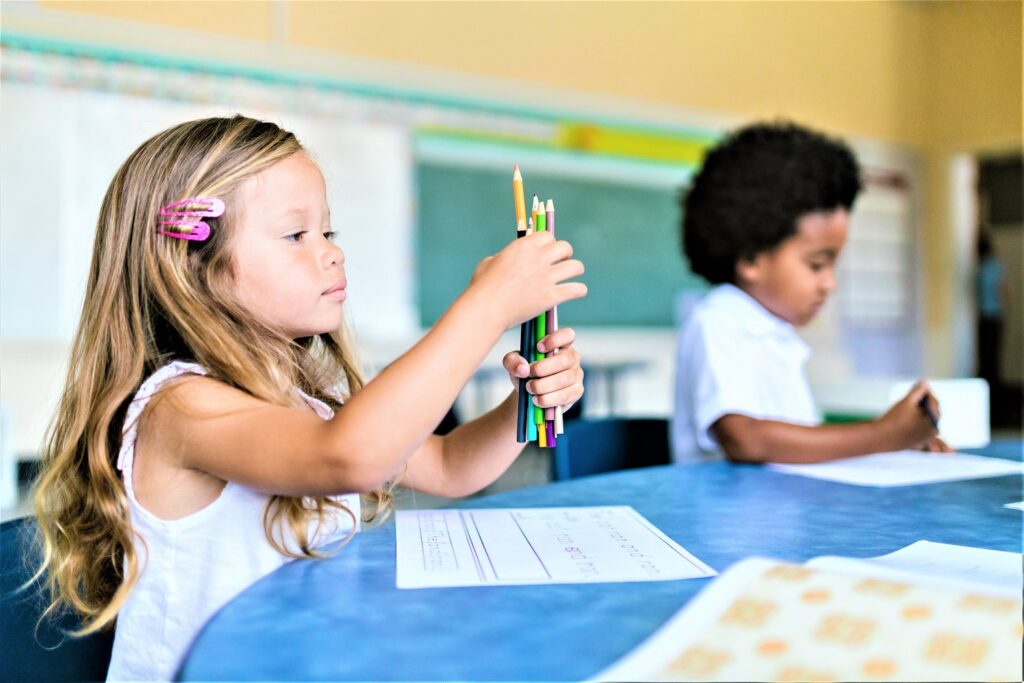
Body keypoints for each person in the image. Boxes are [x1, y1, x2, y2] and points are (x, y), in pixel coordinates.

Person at [30, 115, 587, 681]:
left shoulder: (306, 405)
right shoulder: (180, 409)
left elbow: (448, 467)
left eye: (330, 233)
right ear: (192, 264)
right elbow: (351, 456)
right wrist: (486, 307)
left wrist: (526, 401)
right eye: (297, 235)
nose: (331, 254)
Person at [672, 121, 948, 464]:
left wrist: (896, 442)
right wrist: (883, 435)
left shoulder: (776, 333)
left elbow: (795, 443)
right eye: (817, 264)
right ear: (751, 258)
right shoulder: (719, 320)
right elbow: (745, 440)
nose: (829, 284)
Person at [976, 229, 1005, 392]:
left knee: (985, 356)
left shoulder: (980, 268)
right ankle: (994, 388)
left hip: (984, 317)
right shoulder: (996, 266)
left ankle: (988, 387)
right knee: (994, 355)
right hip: (996, 316)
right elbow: (1005, 292)